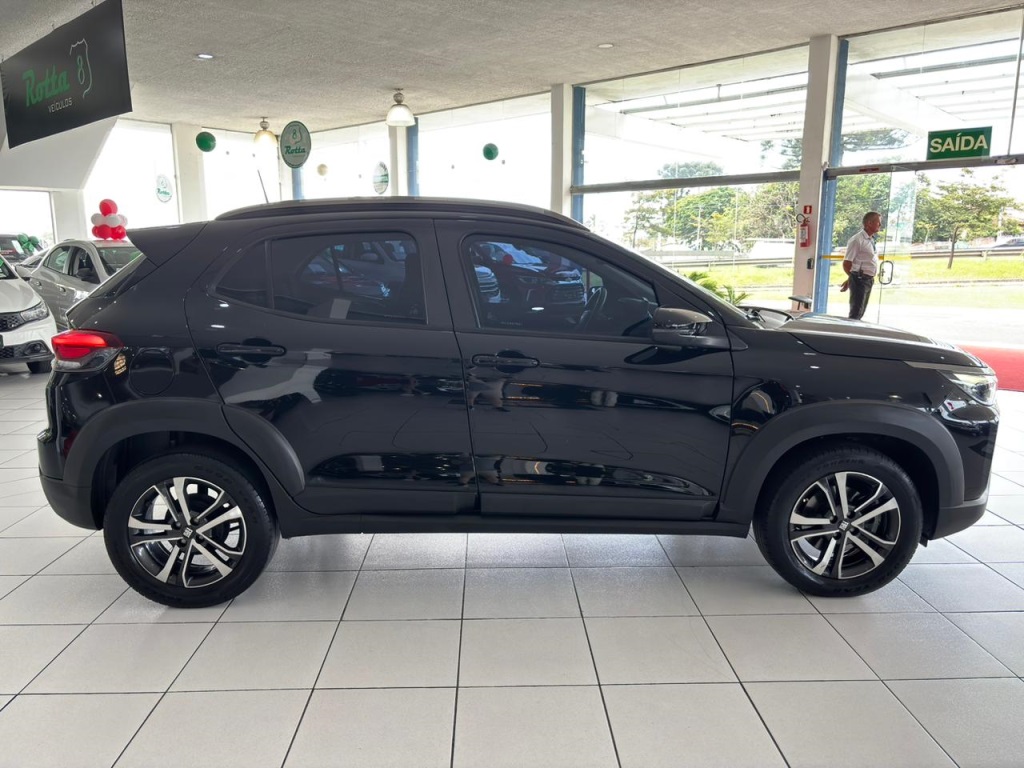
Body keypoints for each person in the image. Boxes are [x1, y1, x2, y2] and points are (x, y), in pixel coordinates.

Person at [841, 211, 882, 320]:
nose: (880, 225)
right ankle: (850, 330)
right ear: (869, 223)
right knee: (855, 313)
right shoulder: (857, 240)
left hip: (867, 280)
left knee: (860, 312)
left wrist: (851, 278)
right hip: (860, 280)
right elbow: (847, 263)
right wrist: (853, 278)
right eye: (878, 222)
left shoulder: (871, 239)